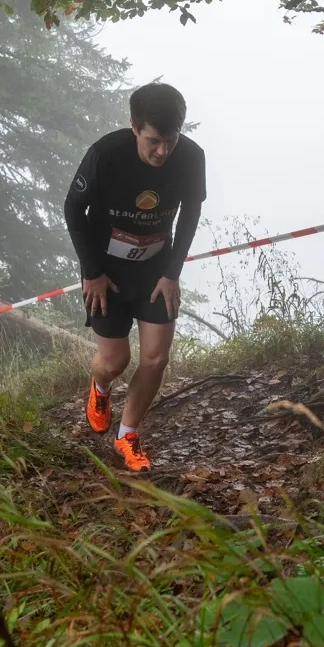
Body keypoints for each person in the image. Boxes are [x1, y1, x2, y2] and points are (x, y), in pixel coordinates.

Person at [63, 83, 206, 471]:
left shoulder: (191, 157)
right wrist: (91, 272)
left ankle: (127, 435)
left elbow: (190, 214)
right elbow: (73, 209)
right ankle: (100, 388)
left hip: (156, 267)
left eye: (171, 140)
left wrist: (172, 273)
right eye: (154, 141)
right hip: (106, 269)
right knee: (114, 361)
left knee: (156, 358)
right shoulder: (106, 153)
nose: (163, 151)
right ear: (134, 126)